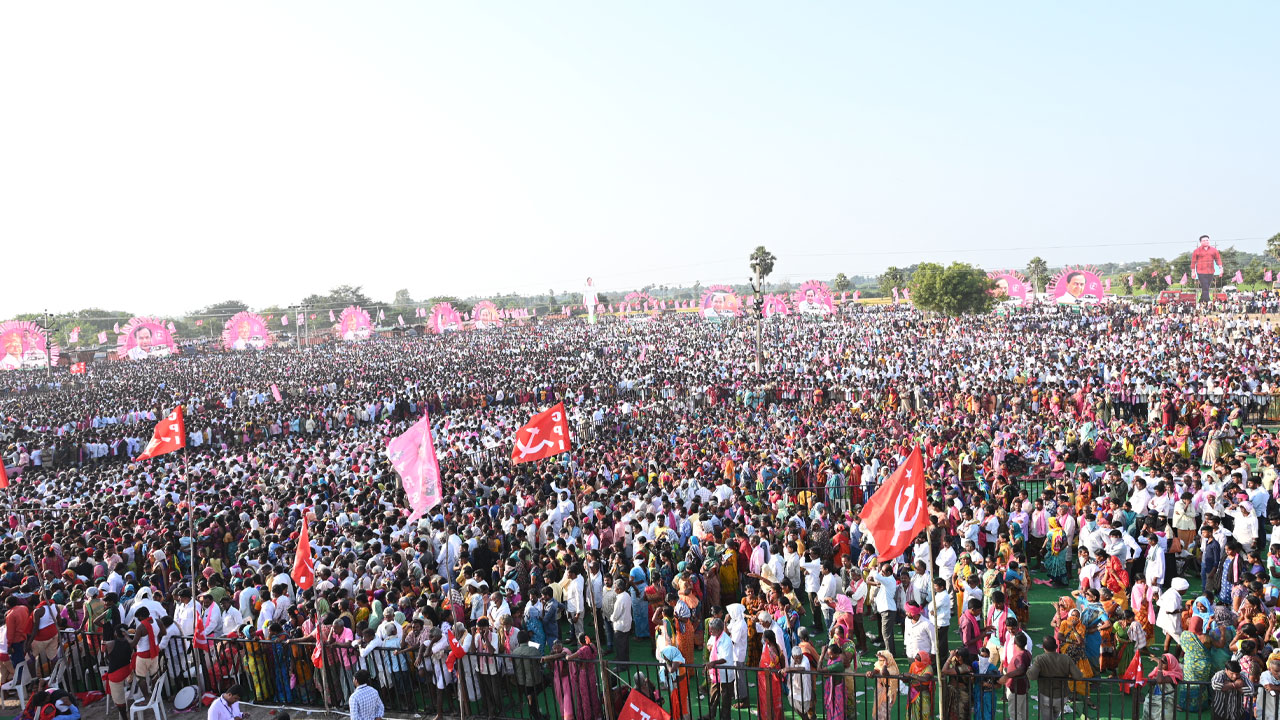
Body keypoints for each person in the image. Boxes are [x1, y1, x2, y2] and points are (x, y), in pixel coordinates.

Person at [1026, 636, 1084, 720]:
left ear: (1043, 647)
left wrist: (1029, 670)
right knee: (1055, 716)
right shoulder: (1066, 659)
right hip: (1061, 696)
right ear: (1056, 646)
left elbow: (1032, 676)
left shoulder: (1040, 659)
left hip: (1046, 695)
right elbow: (1078, 676)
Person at [705, 618, 736, 720]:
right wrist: (710, 647)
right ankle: (711, 715)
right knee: (713, 695)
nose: (710, 632)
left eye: (712, 630)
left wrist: (713, 663)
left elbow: (725, 659)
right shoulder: (715, 636)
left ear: (718, 630)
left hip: (725, 674)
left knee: (725, 698)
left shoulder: (726, 640)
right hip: (715, 673)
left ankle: (725, 718)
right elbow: (709, 644)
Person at [1191, 234, 1223, 302]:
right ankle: (1207, 300)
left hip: (1211, 271)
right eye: (1204, 240)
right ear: (1201, 242)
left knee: (1206, 287)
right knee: (1205, 286)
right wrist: (1193, 272)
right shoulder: (1197, 251)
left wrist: (1221, 268)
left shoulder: (1214, 250)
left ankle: (1201, 300)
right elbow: (1193, 262)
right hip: (1201, 272)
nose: (1206, 242)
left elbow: (1218, 259)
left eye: (1207, 240)